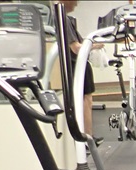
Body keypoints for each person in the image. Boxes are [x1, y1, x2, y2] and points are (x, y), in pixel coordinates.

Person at [57, 0, 103, 145]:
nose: (76, 4)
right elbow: (76, 48)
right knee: (85, 99)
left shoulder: (64, 18)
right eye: (75, 1)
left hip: (73, 65)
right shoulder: (62, 18)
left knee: (81, 100)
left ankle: (86, 137)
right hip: (75, 65)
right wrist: (96, 46)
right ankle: (88, 138)